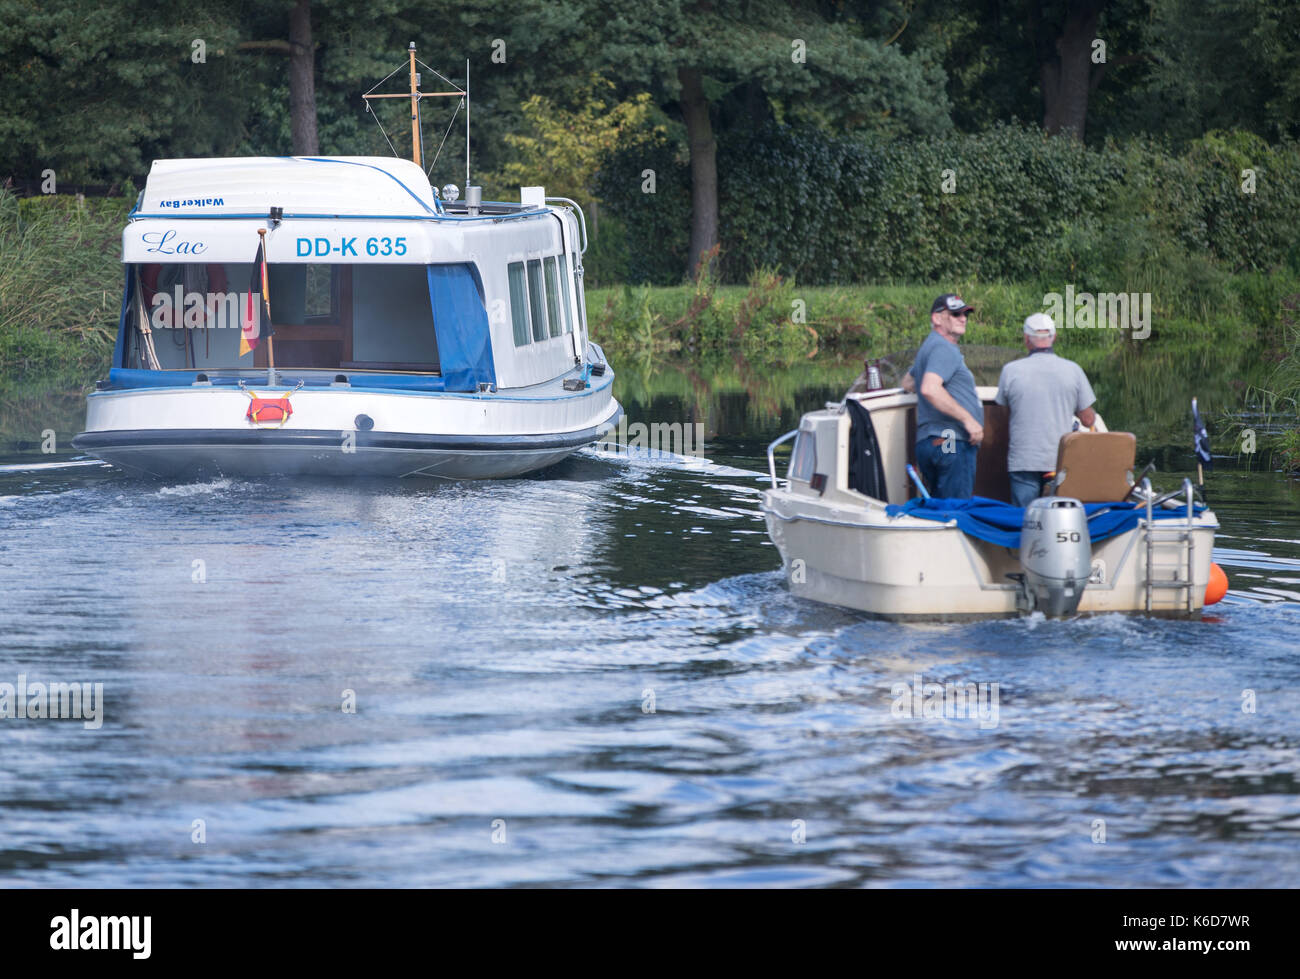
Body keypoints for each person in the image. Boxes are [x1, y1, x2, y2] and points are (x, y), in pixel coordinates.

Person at [995, 313, 1098, 507]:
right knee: (1059, 517)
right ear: (1054, 337)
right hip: (1060, 460)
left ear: (1026, 339)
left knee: (1024, 521)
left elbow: (1003, 412)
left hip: (1023, 459)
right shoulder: (1073, 370)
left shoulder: (1010, 370)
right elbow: (1088, 420)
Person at [901, 294, 984, 499]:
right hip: (951, 441)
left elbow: (908, 382)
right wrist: (969, 420)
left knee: (938, 508)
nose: (963, 318)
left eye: (965, 314)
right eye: (955, 314)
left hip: (932, 442)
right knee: (955, 511)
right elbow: (930, 388)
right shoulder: (944, 348)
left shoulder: (929, 347)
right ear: (937, 319)